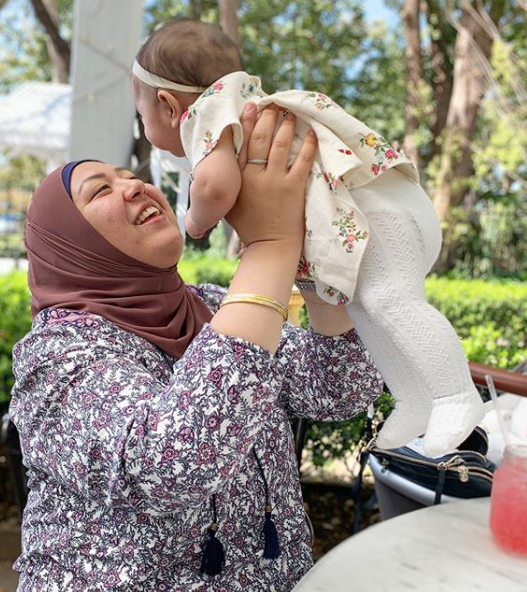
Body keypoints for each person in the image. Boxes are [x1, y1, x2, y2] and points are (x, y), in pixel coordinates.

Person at [9, 105, 382, 591]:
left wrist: (312, 264)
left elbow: (339, 388)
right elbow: (173, 466)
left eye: (129, 175)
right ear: (71, 246)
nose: (135, 185)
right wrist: (268, 245)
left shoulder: (209, 306)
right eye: (100, 189)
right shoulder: (56, 355)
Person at [131, 18, 484, 457]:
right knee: (369, 306)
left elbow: (214, 187)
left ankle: (455, 396)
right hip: (377, 211)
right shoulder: (244, 100)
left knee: (391, 302)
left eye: (141, 116)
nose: (145, 128)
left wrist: (195, 222)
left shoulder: (209, 113)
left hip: (374, 218)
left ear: (167, 104)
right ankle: (413, 399)